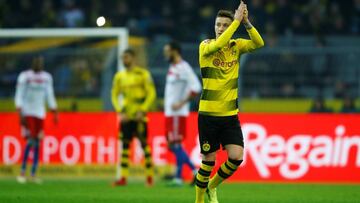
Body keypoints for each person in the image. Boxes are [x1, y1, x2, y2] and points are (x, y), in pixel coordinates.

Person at [194, 1, 264, 203]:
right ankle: (198, 201)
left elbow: (259, 43)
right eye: (218, 25)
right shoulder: (206, 46)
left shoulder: (235, 46)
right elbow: (218, 44)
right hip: (208, 114)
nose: (220, 28)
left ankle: (212, 187)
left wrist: (246, 22)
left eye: (224, 25)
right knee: (209, 161)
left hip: (230, 115)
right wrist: (235, 22)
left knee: (236, 158)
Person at [111, 48, 156, 186]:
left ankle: (149, 178)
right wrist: (120, 111)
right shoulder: (119, 76)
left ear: (133, 58)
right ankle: (123, 178)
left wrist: (142, 110)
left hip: (140, 116)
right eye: (122, 58)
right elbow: (114, 94)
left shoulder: (143, 74)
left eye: (126, 57)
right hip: (127, 115)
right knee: (125, 146)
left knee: (144, 146)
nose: (124, 60)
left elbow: (151, 93)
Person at [163, 41, 202, 186]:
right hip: (170, 113)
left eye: (167, 51)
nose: (165, 54)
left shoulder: (184, 68)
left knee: (174, 145)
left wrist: (181, 103)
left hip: (177, 114)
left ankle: (191, 173)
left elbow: (196, 87)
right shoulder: (173, 67)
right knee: (174, 145)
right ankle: (180, 177)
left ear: (175, 51)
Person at [15, 55, 58, 184]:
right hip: (28, 112)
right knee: (31, 140)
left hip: (40, 113)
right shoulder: (25, 77)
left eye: (41, 62)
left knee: (37, 141)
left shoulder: (46, 78)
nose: (39, 64)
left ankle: (33, 174)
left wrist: (54, 110)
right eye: (37, 62)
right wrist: (20, 112)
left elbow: (49, 94)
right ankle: (22, 172)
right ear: (32, 63)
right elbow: (19, 94)